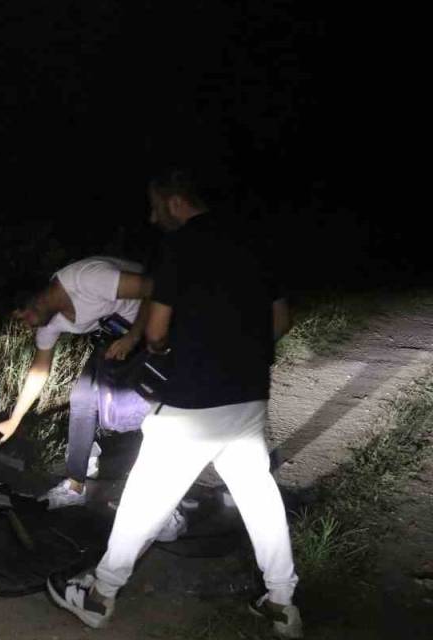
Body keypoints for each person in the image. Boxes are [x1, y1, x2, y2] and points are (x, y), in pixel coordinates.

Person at [46, 169, 302, 638]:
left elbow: (158, 330)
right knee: (259, 497)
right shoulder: (255, 244)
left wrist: (163, 350)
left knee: (144, 498)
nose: (152, 215)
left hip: (192, 401)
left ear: (177, 202)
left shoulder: (181, 248)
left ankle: (99, 595)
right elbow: (280, 321)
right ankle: (282, 602)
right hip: (246, 396)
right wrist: (236, 352)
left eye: (155, 206)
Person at [0, 256, 160, 511]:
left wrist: (133, 337)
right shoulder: (50, 321)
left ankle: (158, 493)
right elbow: (39, 369)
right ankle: (76, 484)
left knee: (153, 411)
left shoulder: (86, 280)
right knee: (82, 398)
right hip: (118, 337)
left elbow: (154, 288)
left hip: (157, 328)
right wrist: (15, 418)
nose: (26, 325)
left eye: (23, 318)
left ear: (35, 300)